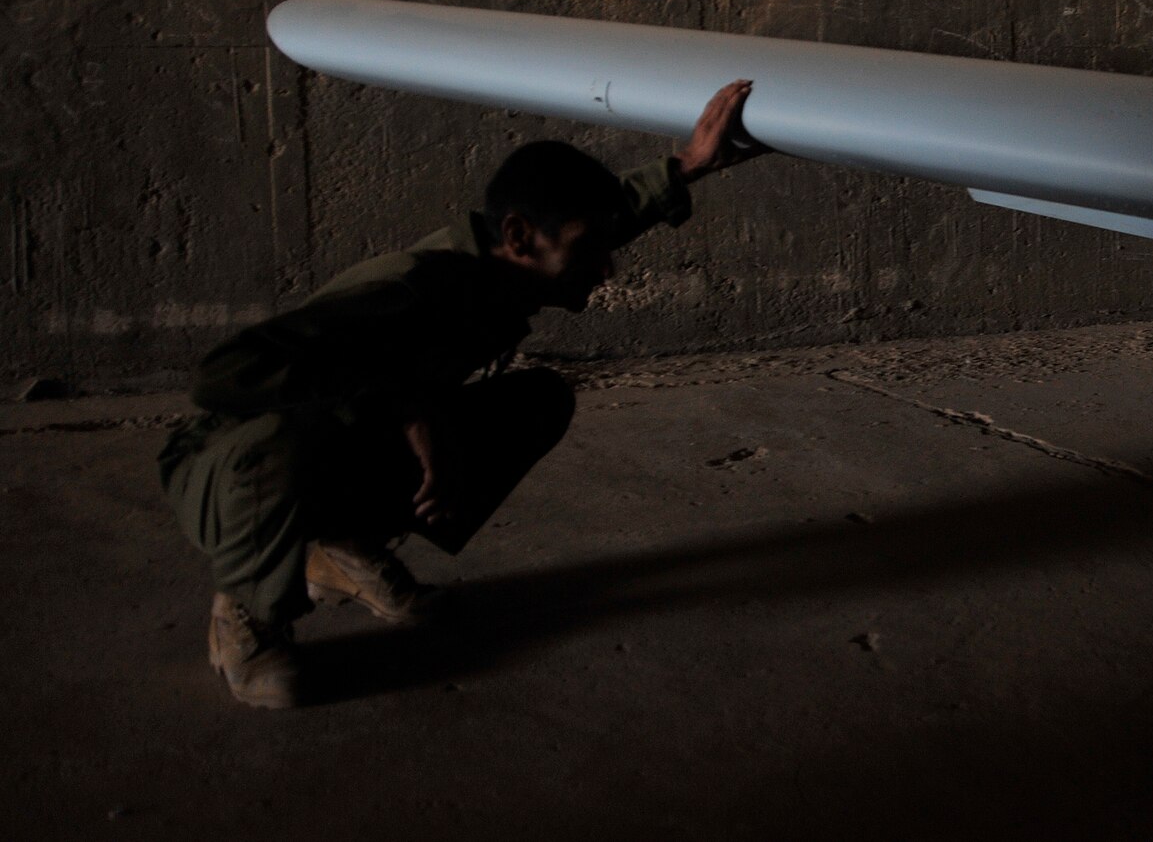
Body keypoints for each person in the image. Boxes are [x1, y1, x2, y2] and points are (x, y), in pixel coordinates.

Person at [158, 80, 768, 709]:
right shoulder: (412, 286)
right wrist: (407, 406)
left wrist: (686, 166)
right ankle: (244, 616)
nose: (606, 270)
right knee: (287, 443)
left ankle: (337, 544)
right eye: (590, 251)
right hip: (228, 467)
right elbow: (221, 378)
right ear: (519, 235)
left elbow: (594, 225)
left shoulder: (508, 265)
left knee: (537, 400)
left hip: (337, 434)